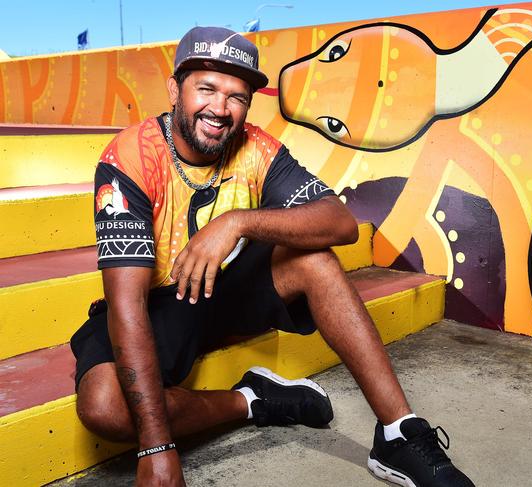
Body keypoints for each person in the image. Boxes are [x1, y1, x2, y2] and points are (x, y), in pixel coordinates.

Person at [70, 26, 474, 487]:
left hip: (224, 292)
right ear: (174, 90)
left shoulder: (258, 148)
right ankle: (253, 399)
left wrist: (237, 222)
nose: (220, 110)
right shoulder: (129, 159)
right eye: (206, 89)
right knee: (104, 408)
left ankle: (399, 434)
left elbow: (338, 223)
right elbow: (126, 306)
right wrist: (157, 449)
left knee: (313, 258)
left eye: (236, 97)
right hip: (159, 303)